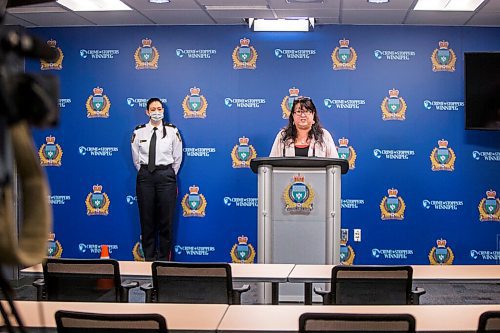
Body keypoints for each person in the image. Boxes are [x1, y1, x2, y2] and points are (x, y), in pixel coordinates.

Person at [131, 98, 182, 261]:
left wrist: (166, 173)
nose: (157, 112)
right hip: (146, 177)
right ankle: (149, 260)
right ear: (147, 112)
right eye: (153, 109)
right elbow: (136, 159)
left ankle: (163, 262)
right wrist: (147, 173)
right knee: (147, 220)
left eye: (159, 108)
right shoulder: (139, 132)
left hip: (165, 176)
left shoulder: (172, 131)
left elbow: (177, 157)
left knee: (166, 221)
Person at [270, 96, 339, 158]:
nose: (303, 115)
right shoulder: (283, 136)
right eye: (299, 111)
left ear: (313, 115)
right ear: (293, 116)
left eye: (307, 111)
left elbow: (335, 166)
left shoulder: (324, 135)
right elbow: (271, 163)